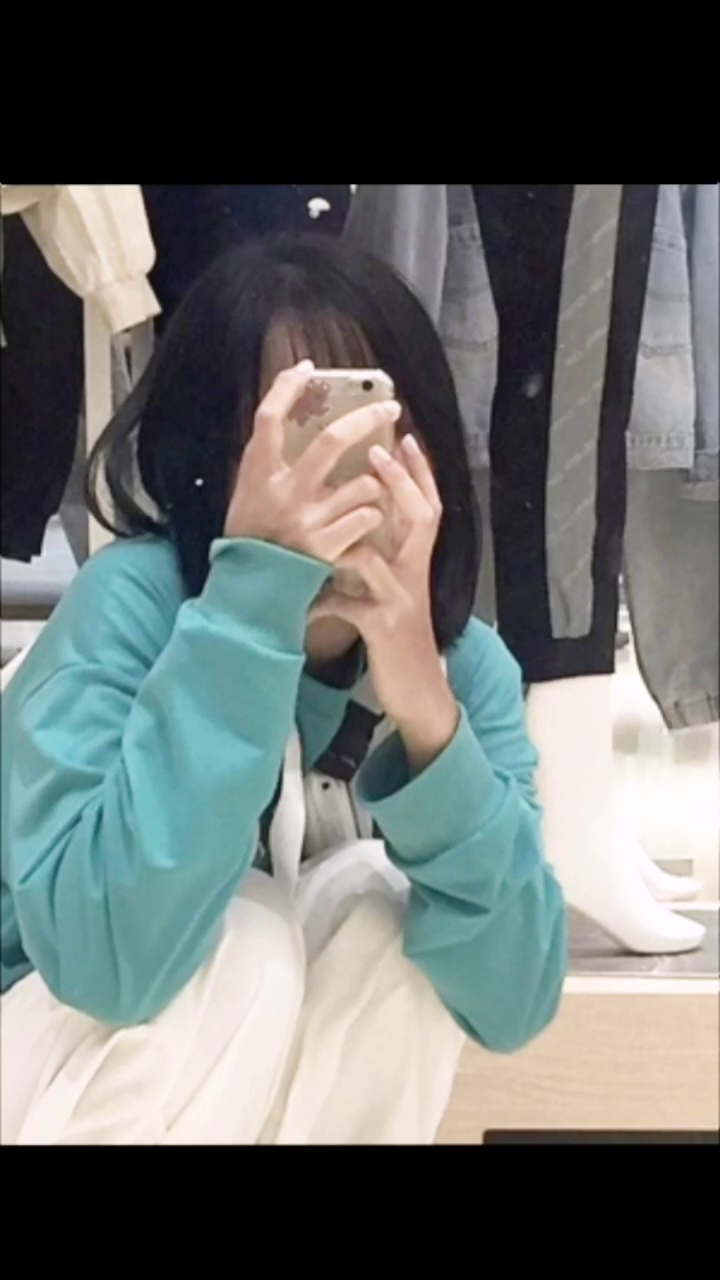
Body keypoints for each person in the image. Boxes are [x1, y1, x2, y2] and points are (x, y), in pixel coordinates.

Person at [1, 234, 567, 1142]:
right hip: (40, 1053)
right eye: (291, 433)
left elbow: (513, 1004)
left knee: (390, 926)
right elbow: (109, 968)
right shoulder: (133, 608)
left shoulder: (462, 669)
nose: (328, 471)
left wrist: (428, 715)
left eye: (359, 425)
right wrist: (249, 607)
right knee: (248, 942)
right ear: (212, 455)